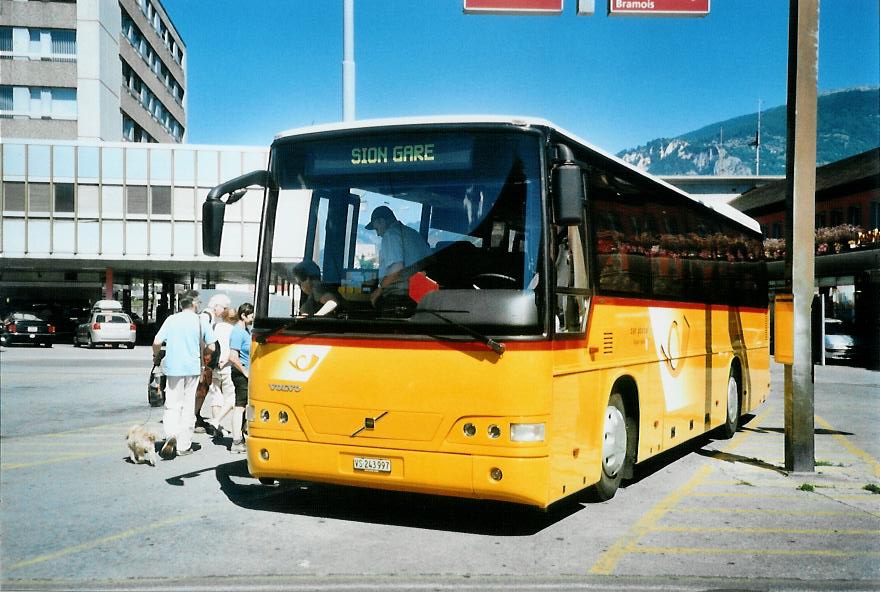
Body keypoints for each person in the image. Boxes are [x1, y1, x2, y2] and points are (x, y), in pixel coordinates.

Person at [152, 290, 215, 459]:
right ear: (194, 304)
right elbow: (212, 346)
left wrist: (156, 356)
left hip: (173, 367)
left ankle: (171, 434)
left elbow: (157, 342)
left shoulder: (171, 320)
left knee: (172, 403)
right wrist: (203, 353)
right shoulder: (201, 321)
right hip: (193, 368)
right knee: (188, 406)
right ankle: (184, 445)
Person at [365, 205, 430, 313]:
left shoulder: (390, 235)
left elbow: (397, 267)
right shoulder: (413, 234)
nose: (377, 234)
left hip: (398, 298)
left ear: (381, 221)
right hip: (421, 297)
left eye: (377, 228)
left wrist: (379, 289)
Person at [206, 306, 238, 440]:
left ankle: (217, 427)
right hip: (227, 365)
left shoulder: (215, 327)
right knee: (232, 398)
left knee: (216, 397)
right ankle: (216, 420)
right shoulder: (235, 330)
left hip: (214, 366)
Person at [227, 302, 254, 454]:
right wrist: (245, 372)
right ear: (243, 315)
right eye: (251, 316)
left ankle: (244, 434)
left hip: (246, 372)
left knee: (246, 405)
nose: (252, 319)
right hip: (241, 374)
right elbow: (233, 356)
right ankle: (236, 440)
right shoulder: (237, 332)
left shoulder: (246, 331)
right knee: (240, 405)